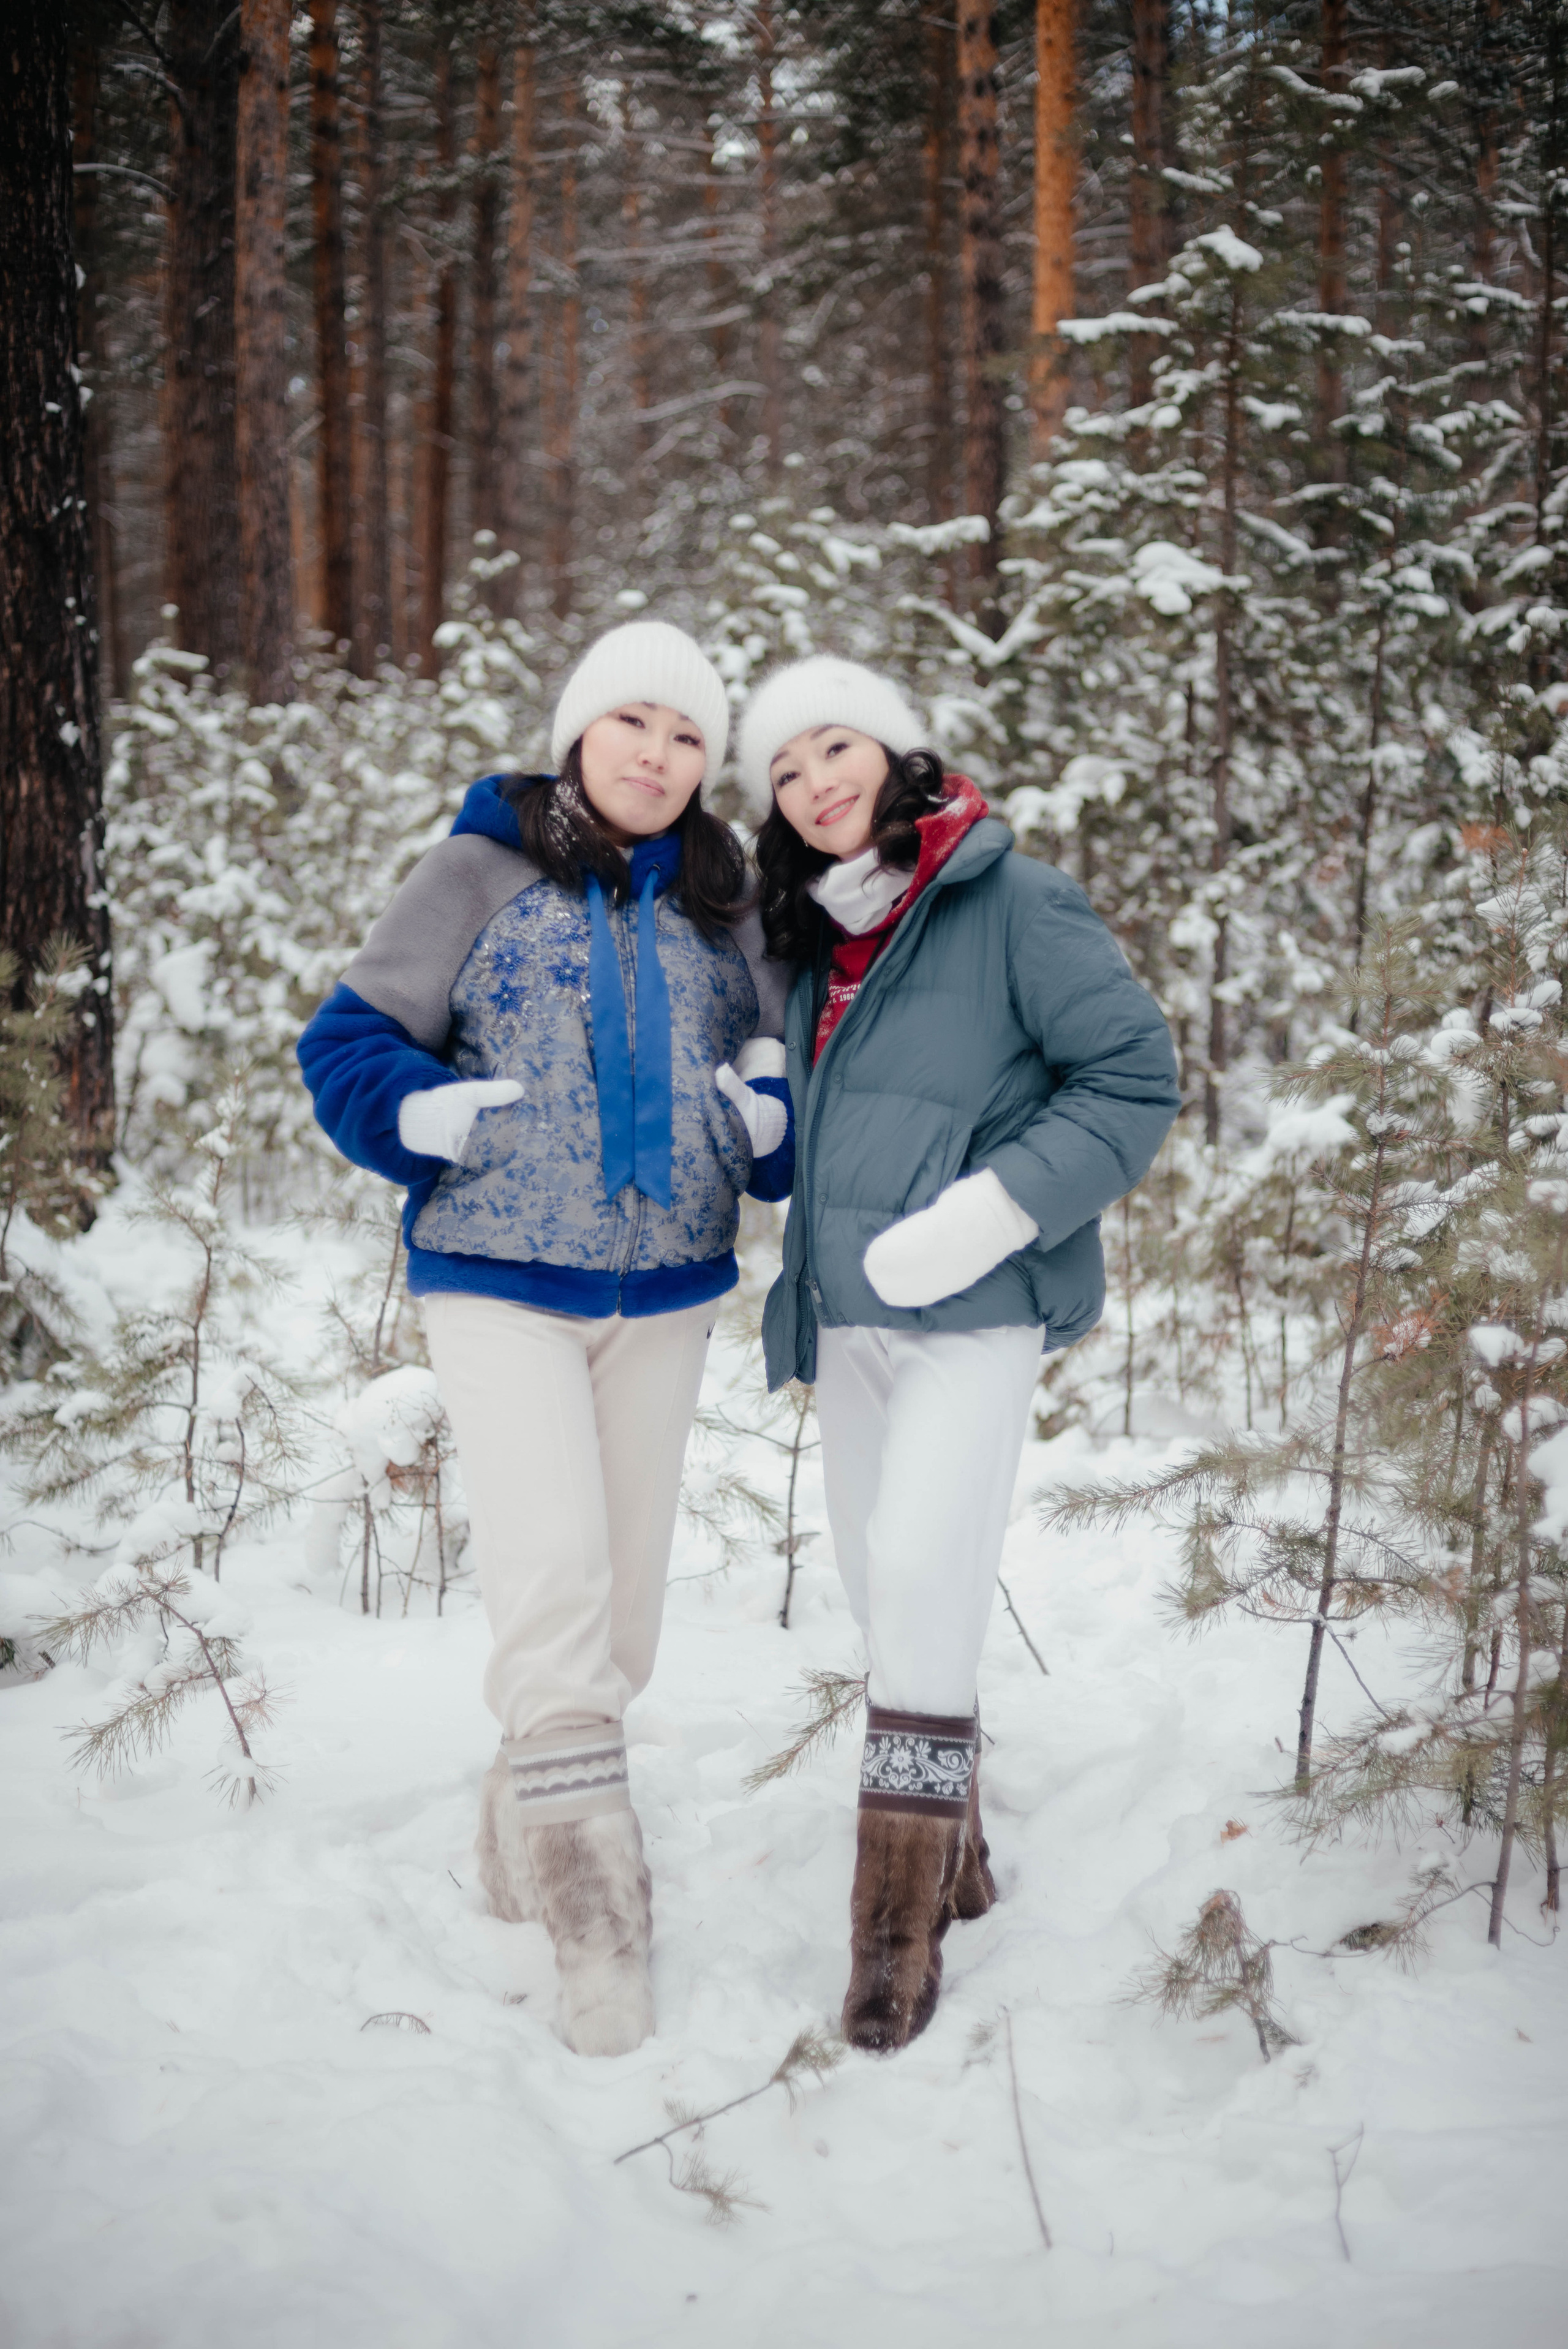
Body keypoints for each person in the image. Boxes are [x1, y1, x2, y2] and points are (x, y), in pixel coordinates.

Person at [298, 620, 793, 2056]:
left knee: (622, 1608)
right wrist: (415, 1112)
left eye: (688, 735)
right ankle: (599, 1931)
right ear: (578, 729)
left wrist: (765, 1119)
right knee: (556, 1580)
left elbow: (769, 1059)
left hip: (671, 1287)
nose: (657, 753)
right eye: (632, 722)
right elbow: (345, 1041)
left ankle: (525, 1820)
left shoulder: (727, 898)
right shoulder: (476, 871)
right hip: (496, 1275)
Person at [741, 655, 1180, 2053]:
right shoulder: (806, 934)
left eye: (833, 748)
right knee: (883, 1590)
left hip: (971, 1313)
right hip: (848, 1313)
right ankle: (959, 1845)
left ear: (895, 753)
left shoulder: (1009, 898)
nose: (816, 784)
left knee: (927, 1567)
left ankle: (890, 1929)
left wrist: (988, 1213)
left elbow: (1132, 1077)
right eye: (786, 771)